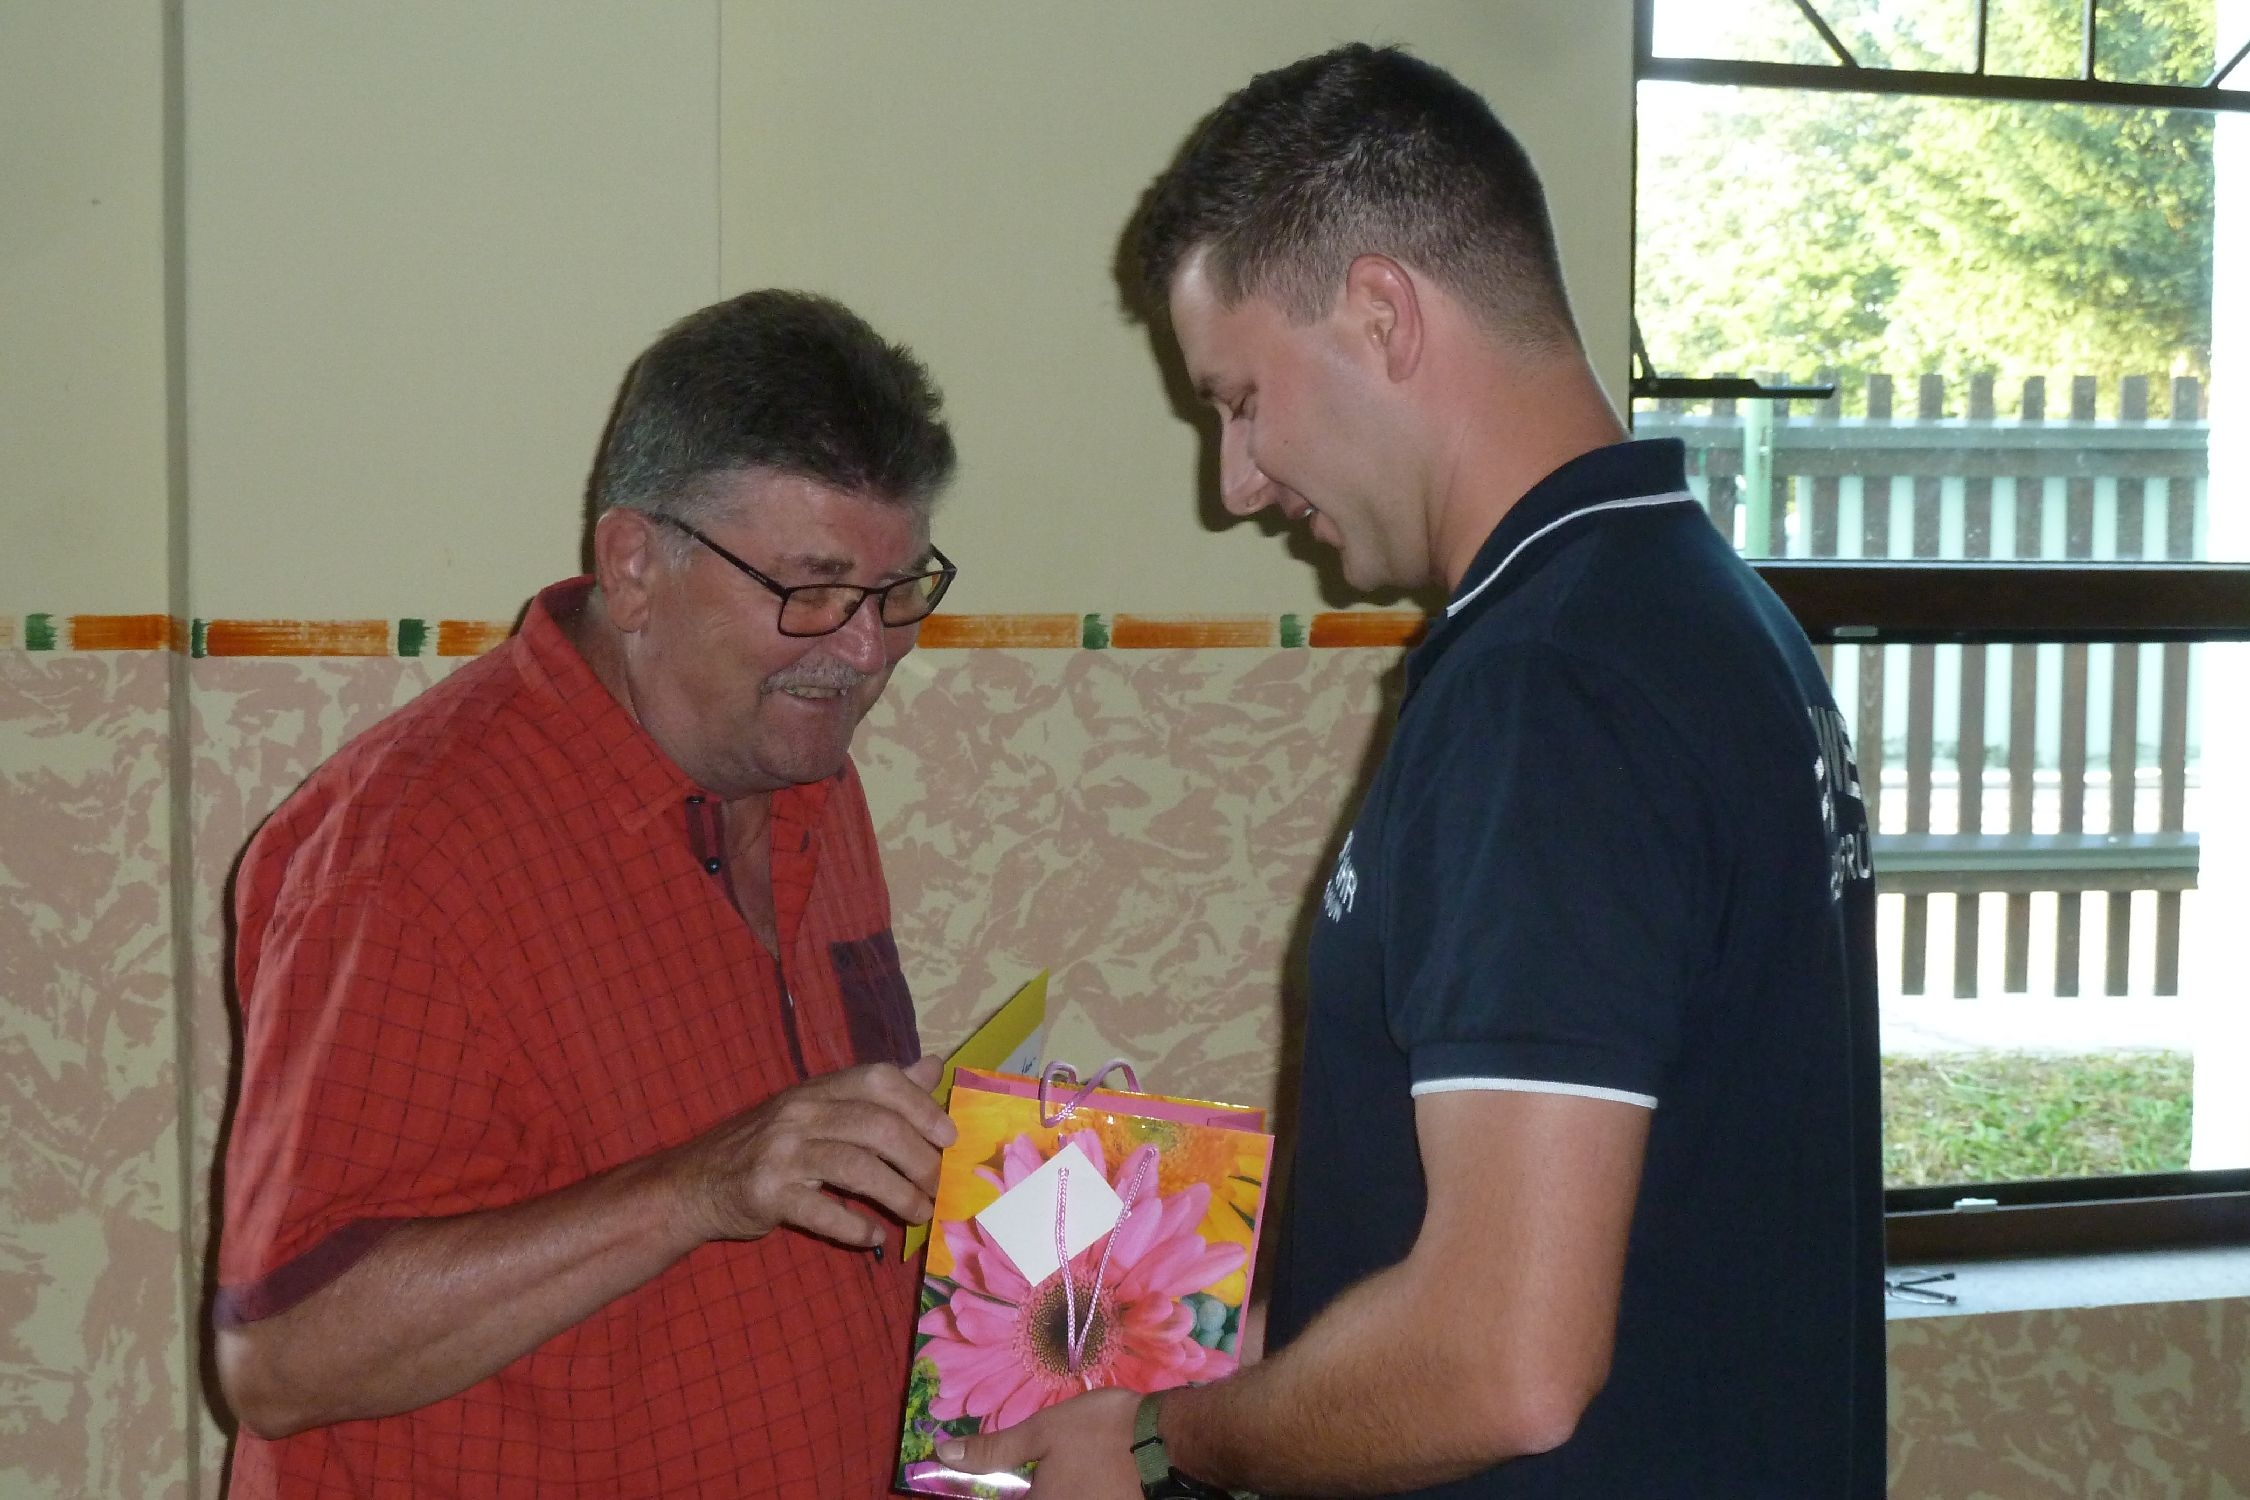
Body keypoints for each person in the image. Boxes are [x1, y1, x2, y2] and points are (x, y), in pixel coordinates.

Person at [941, 44, 1883, 1499]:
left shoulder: (1547, 686)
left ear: (1381, 314)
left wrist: (1157, 1441)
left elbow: (1500, 1361)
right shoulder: (1701, 614)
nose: (1235, 483)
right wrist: (1195, 1361)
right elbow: (1490, 1236)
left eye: (1239, 399)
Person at [214, 289, 965, 1498]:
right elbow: (279, 1358)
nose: (866, 651)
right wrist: (701, 1187)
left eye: (897, 592)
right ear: (634, 566)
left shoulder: (803, 776)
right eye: (813, 590)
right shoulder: (405, 858)